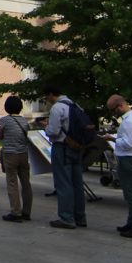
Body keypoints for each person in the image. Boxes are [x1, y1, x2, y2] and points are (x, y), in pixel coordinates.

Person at [43, 85, 88, 229]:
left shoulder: (57, 108)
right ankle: (80, 217)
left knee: (63, 183)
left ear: (51, 94)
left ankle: (66, 217)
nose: (46, 100)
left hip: (62, 147)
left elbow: (54, 131)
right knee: (77, 183)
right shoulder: (75, 105)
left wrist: (46, 126)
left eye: (46, 97)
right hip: (76, 146)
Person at [105, 94, 132, 238]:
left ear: (121, 105)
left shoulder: (130, 122)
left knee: (130, 196)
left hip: (129, 159)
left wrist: (112, 138)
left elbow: (128, 143)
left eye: (113, 110)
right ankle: (131, 222)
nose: (113, 113)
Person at [0, 95, 32, 222]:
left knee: (12, 183)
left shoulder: (4, 120)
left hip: (10, 154)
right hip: (23, 154)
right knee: (26, 183)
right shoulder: (24, 121)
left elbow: (0, 136)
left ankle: (15, 212)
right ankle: (27, 212)